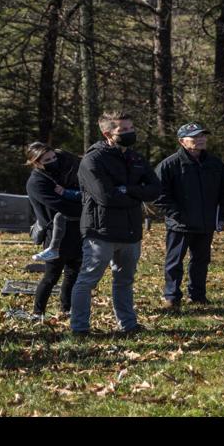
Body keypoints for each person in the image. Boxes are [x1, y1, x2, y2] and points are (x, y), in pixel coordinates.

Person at [73, 111, 161, 337]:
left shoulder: (136, 158)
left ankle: (128, 325)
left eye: (131, 129)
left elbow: (155, 188)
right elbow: (105, 197)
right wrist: (136, 194)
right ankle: (80, 328)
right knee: (87, 281)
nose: (130, 133)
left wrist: (128, 190)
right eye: (123, 130)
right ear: (107, 133)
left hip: (131, 231)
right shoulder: (92, 160)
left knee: (124, 281)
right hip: (101, 231)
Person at [153, 122, 224, 309]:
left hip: (206, 223)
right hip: (180, 225)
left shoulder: (214, 164)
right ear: (182, 141)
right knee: (174, 262)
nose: (200, 140)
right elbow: (158, 194)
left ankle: (197, 295)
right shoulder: (170, 164)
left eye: (203, 136)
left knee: (201, 261)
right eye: (195, 137)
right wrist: (176, 214)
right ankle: (172, 296)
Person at [24, 142, 84, 319]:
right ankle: (38, 311)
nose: (53, 161)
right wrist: (84, 207)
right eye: (47, 159)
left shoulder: (61, 174)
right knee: (51, 276)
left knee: (73, 273)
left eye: (53, 157)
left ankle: (66, 309)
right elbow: (60, 205)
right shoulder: (37, 182)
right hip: (55, 233)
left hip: (76, 229)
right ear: (36, 162)